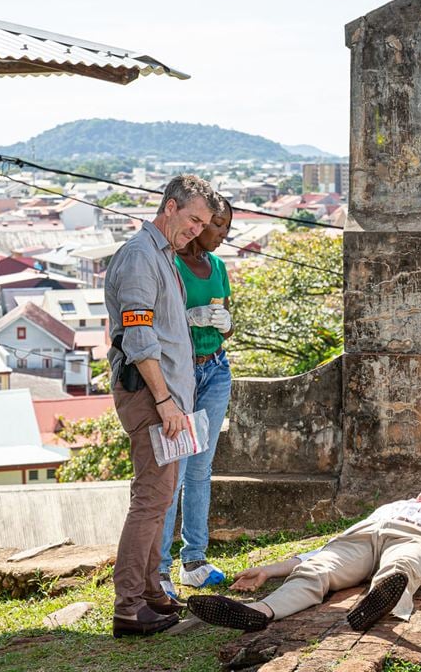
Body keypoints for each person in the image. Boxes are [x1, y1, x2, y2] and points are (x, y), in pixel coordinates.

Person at [105, 174, 223, 637]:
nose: (197, 230)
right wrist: (165, 401)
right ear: (169, 207)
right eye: (193, 218)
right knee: (151, 501)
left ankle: (152, 593)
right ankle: (130, 606)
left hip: (169, 399)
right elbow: (139, 336)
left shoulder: (163, 256)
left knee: (160, 497)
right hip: (152, 397)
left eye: (204, 224)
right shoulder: (140, 256)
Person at [187, 488, 421, 633]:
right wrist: (270, 570)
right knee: (317, 569)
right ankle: (260, 612)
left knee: (403, 565)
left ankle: (378, 601)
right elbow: (320, 553)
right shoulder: (387, 506)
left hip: (416, 537)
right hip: (364, 533)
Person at [159, 198, 235, 597]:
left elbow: (226, 323)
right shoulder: (169, 264)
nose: (221, 235)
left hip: (215, 368)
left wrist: (225, 325)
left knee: (200, 470)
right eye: (215, 226)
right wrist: (189, 319)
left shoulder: (218, 266)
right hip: (181, 374)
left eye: (225, 228)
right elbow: (160, 321)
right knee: (171, 471)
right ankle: (160, 569)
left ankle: (195, 559)